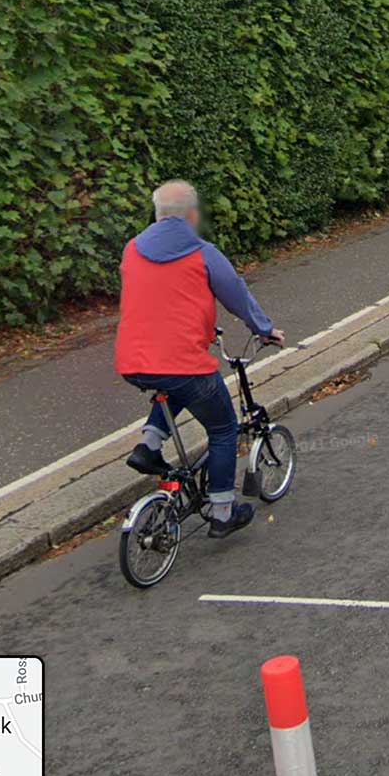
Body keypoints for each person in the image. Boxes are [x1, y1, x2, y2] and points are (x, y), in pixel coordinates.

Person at [114, 180, 283, 537]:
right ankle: (222, 511)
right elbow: (235, 293)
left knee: (174, 384)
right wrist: (265, 328)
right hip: (182, 363)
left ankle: (149, 445)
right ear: (192, 215)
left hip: (133, 360)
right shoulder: (202, 252)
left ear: (157, 215)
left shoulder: (131, 249)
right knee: (222, 429)